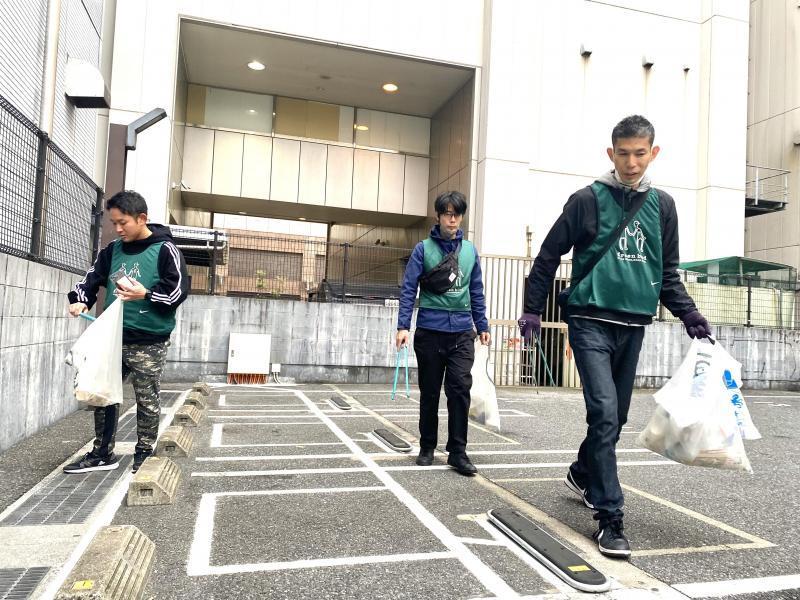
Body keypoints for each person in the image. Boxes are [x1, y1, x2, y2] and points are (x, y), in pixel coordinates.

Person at [518, 115, 711, 558]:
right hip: (589, 322)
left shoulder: (662, 207)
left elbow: (666, 275)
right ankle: (610, 518)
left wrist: (689, 314)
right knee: (604, 413)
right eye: (623, 153)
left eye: (639, 153)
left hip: (633, 326)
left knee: (616, 418)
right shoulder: (586, 201)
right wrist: (531, 308)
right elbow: (549, 255)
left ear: (653, 153)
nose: (630, 162)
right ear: (611, 153)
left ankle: (582, 471)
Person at [64, 190, 189, 474]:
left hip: (149, 341)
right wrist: (80, 299)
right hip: (112, 337)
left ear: (141, 218)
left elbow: (177, 293)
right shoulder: (112, 250)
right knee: (103, 394)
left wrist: (146, 294)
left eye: (123, 223)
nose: (118, 229)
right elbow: (90, 279)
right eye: (114, 223)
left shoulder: (165, 249)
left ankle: (144, 453)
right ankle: (101, 453)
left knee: (147, 398)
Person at [396, 191, 491, 476]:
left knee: (460, 390)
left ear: (461, 217)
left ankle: (458, 452)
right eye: (447, 213)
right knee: (430, 392)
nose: (452, 218)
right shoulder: (423, 249)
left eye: (457, 214)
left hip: (462, 333)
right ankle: (427, 446)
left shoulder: (470, 251)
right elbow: (408, 288)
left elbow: (476, 291)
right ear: (438, 216)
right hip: (430, 330)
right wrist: (403, 326)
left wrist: (482, 325)